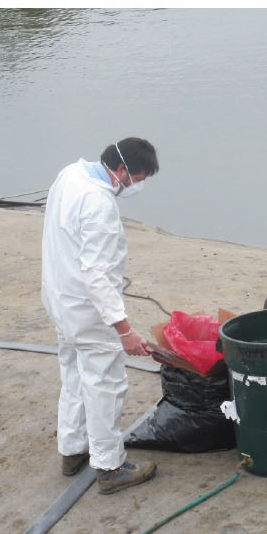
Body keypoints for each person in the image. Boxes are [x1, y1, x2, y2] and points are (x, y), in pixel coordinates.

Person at [40, 139, 161, 493]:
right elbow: (96, 275)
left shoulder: (70, 174)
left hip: (59, 297)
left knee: (74, 373)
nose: (136, 186)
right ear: (121, 171)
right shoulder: (100, 204)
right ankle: (110, 466)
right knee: (106, 383)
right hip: (87, 307)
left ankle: (72, 449)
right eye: (137, 178)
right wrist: (124, 330)